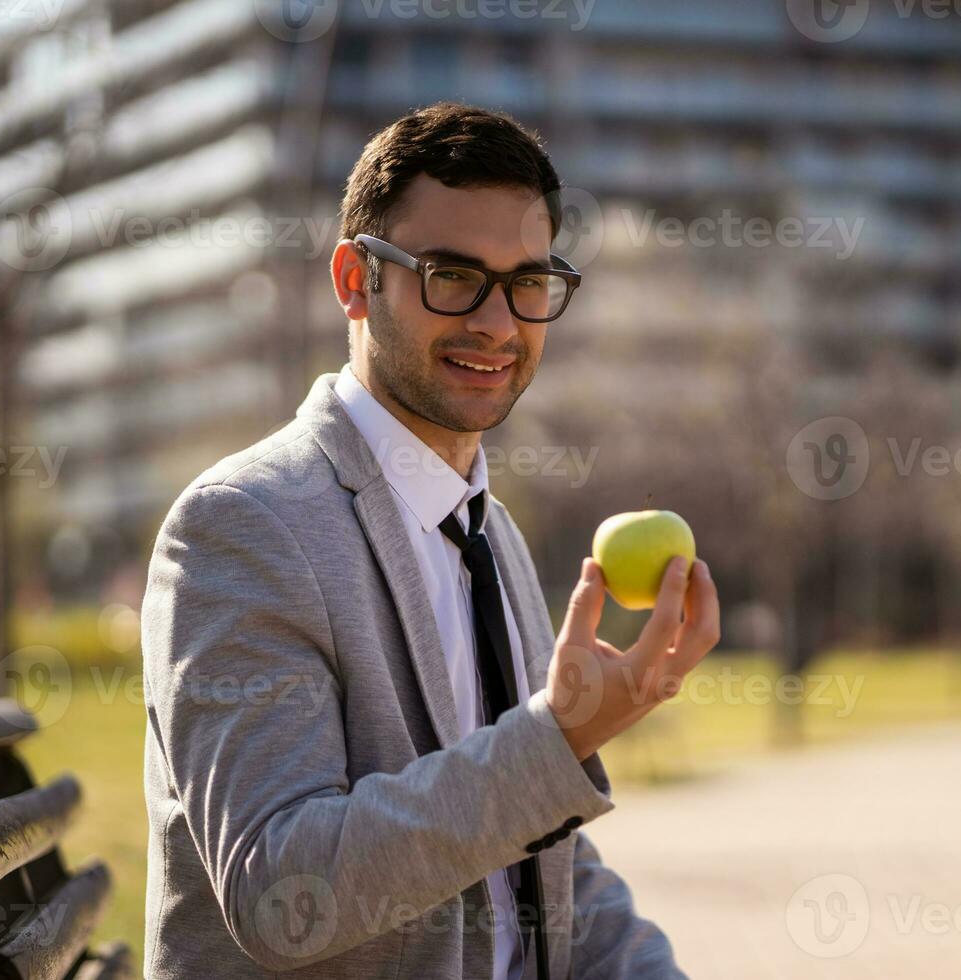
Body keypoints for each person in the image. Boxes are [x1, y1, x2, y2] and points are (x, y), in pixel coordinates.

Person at [140, 102, 720, 979]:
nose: (497, 322)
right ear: (352, 279)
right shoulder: (244, 525)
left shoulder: (492, 533)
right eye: (451, 275)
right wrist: (552, 744)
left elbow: (543, 873)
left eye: (528, 282)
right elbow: (279, 896)